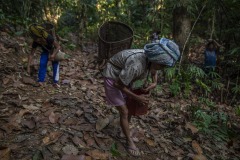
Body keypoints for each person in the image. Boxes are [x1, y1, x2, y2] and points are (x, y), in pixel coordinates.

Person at [102, 41, 180, 156]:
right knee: (124, 111)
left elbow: (154, 71)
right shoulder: (136, 64)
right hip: (113, 77)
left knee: (127, 108)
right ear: (156, 60)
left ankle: (123, 133)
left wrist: (154, 83)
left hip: (124, 78)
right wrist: (137, 97)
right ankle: (129, 142)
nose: (162, 69)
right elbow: (118, 84)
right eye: (162, 65)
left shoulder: (151, 60)